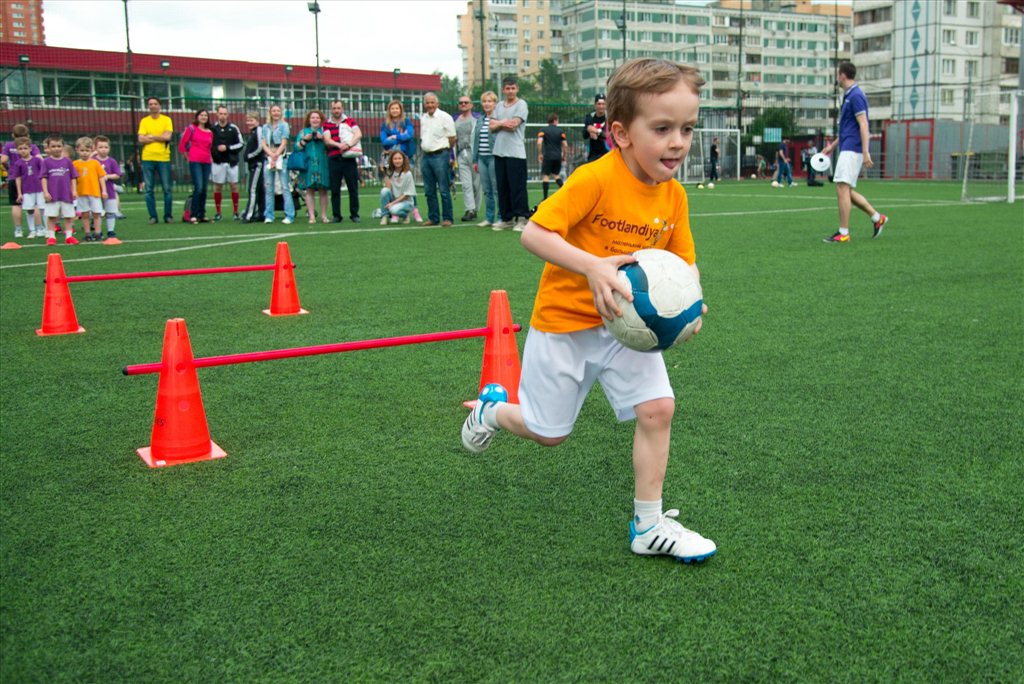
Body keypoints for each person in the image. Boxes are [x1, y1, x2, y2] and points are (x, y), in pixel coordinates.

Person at [461, 58, 716, 564]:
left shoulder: (676, 196)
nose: (678, 142)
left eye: (687, 128)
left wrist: (690, 307)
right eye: (662, 128)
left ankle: (648, 524)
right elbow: (534, 233)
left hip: (629, 331)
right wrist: (594, 268)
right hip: (565, 325)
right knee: (549, 434)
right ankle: (493, 409)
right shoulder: (593, 179)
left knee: (659, 408)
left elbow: (684, 265)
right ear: (621, 133)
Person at [821, 61, 888, 243]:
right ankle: (877, 218)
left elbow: (863, 124)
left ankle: (843, 233)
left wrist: (866, 151)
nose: (837, 77)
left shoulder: (856, 95)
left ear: (843, 75)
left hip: (853, 149)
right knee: (846, 189)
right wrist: (832, 146)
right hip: (847, 146)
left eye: (837, 73)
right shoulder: (849, 95)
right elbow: (848, 128)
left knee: (842, 187)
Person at [490, 76, 530, 232]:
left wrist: (499, 123)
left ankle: (522, 218)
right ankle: (506, 218)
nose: (510, 91)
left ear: (517, 89)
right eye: (508, 88)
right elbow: (491, 126)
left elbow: (514, 125)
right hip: (499, 152)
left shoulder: (522, 105)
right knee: (503, 186)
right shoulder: (499, 105)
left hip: (515, 152)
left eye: (513, 88)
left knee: (517, 187)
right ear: (503, 90)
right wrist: (501, 123)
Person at [418, 91, 456, 227]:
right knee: (429, 191)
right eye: (427, 103)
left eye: (432, 102)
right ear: (424, 104)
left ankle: (448, 218)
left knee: (444, 189)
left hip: (441, 155)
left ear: (437, 103)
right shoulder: (423, 118)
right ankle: (433, 218)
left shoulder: (445, 117)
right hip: (426, 156)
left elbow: (452, 138)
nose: (430, 105)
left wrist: (446, 152)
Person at [322, 99, 362, 223]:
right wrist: (340, 145)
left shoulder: (350, 121)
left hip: (349, 159)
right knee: (335, 189)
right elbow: (327, 140)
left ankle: (354, 214)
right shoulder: (326, 124)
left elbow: (358, 134)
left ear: (342, 109)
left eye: (338, 108)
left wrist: (348, 144)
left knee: (353, 188)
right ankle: (336, 215)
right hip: (334, 159)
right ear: (331, 109)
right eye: (334, 108)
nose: (336, 110)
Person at [138, 96, 174, 224]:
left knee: (167, 188)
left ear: (159, 106)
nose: (153, 106)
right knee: (148, 189)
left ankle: (168, 216)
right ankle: (153, 216)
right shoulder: (144, 121)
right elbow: (141, 139)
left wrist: (151, 136)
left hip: (163, 158)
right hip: (148, 157)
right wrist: (158, 137)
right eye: (150, 104)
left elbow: (167, 137)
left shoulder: (166, 120)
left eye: (155, 104)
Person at [2, 124, 42, 239]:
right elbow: (39, 159)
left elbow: (3, 159)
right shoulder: (31, 146)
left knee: (16, 205)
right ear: (28, 135)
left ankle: (18, 230)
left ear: (13, 135)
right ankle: (39, 228)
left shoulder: (9, 145)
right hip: (29, 179)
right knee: (34, 204)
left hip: (13, 177)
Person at [40, 134, 79, 245]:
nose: (56, 148)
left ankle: (69, 236)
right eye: (53, 146)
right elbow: (43, 178)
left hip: (66, 194)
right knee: (52, 216)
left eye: (58, 146)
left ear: (62, 147)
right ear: (48, 148)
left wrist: (74, 190)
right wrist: (45, 192)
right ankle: (51, 237)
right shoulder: (46, 162)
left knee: (68, 216)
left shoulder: (67, 161)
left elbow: (73, 177)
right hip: (52, 195)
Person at [179, 109, 214, 224]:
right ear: (197, 117)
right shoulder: (191, 129)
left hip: (206, 161)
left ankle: (201, 214)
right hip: (195, 161)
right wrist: (187, 157)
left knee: (204, 189)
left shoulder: (209, 132)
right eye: (201, 115)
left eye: (205, 115)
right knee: (198, 188)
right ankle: (193, 214)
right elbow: (182, 144)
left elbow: (210, 147)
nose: (204, 117)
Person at [296, 109, 331, 224]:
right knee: (309, 190)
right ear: (309, 120)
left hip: (323, 163)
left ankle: (324, 216)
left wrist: (323, 139)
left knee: (323, 190)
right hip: (308, 164)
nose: (315, 120)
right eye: (313, 118)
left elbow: (330, 146)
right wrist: (305, 140)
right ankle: (311, 216)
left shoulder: (325, 131)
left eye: (317, 118)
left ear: (321, 120)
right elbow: (297, 148)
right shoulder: (303, 132)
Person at [261, 104, 294, 225]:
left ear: (281, 113)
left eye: (278, 111)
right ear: (270, 112)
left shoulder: (284, 125)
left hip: (281, 158)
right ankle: (269, 215)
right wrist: (270, 154)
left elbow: (284, 142)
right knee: (269, 187)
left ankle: (289, 215)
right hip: (269, 158)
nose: (275, 113)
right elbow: (264, 143)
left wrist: (276, 155)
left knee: (285, 187)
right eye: (273, 111)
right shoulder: (265, 127)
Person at [210, 105, 244, 222]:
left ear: (228, 115)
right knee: (217, 187)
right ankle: (218, 212)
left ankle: (235, 212)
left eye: (225, 114)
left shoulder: (234, 128)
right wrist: (215, 151)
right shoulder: (212, 128)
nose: (223, 116)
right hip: (217, 162)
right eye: (221, 113)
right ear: (217, 114)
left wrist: (227, 148)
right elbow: (209, 144)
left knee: (234, 186)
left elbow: (241, 144)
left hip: (232, 163)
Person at [72, 136, 108, 241]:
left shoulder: (95, 163)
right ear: (77, 150)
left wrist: (104, 190)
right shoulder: (75, 164)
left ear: (92, 150)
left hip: (94, 192)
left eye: (87, 150)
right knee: (85, 214)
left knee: (97, 213)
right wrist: (73, 190)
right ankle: (87, 233)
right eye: (82, 150)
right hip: (81, 193)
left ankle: (98, 232)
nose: (84, 153)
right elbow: (73, 178)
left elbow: (101, 177)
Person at [471, 90, 499, 228]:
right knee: (487, 189)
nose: (487, 104)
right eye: (484, 101)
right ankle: (489, 217)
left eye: (490, 101)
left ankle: (501, 217)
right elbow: (476, 140)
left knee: (496, 189)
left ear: (495, 103)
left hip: (494, 157)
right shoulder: (480, 120)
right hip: (481, 158)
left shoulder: (498, 119)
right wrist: (475, 160)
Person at [8, 137, 45, 239]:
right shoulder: (18, 163)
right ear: (17, 150)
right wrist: (19, 193)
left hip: (39, 189)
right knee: (29, 210)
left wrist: (45, 189)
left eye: (25, 148)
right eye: (20, 149)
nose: (23, 151)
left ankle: (43, 229)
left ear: (30, 149)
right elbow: (18, 178)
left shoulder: (37, 160)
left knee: (42, 208)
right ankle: (32, 230)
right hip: (27, 191)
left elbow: (43, 175)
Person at [454, 95, 481, 222]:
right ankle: (469, 209)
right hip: (461, 152)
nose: (463, 104)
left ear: (471, 104)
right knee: (466, 184)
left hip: (474, 153)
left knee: (476, 183)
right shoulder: (455, 119)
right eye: (461, 103)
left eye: (466, 102)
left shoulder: (477, 118)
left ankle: (475, 209)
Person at [94, 135, 122, 239]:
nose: (103, 150)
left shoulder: (112, 161)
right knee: (97, 213)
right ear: (95, 148)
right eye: (100, 147)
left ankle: (111, 231)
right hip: (96, 191)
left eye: (106, 147)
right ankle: (98, 231)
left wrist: (107, 176)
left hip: (109, 191)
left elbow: (117, 174)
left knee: (110, 212)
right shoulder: (93, 161)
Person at [378, 149, 416, 224]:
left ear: (403, 160)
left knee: (393, 210)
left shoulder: (408, 174)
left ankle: (405, 215)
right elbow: (388, 188)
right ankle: (384, 216)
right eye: (395, 159)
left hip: (406, 202)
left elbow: (407, 195)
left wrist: (392, 203)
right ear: (391, 160)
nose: (397, 161)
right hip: (394, 199)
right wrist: (384, 173)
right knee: (384, 191)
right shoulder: (390, 172)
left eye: (399, 158)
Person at [536, 113, 567, 200]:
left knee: (546, 175)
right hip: (557, 156)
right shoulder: (560, 131)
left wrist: (540, 153)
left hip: (548, 156)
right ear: (555, 120)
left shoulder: (543, 130)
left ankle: (545, 197)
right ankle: (565, 193)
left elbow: (539, 142)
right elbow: (565, 145)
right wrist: (564, 155)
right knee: (556, 175)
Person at [242, 112, 266, 223]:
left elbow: (261, 146)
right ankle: (262, 213)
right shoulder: (253, 132)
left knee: (252, 189)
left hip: (257, 164)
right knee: (260, 190)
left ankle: (249, 214)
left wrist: (249, 156)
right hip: (254, 164)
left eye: (251, 120)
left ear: (257, 121)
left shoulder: (259, 130)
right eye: (248, 120)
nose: (249, 122)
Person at [583, 93, 609, 163]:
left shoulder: (610, 118)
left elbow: (609, 136)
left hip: (608, 154)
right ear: (595, 105)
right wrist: (588, 129)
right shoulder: (589, 117)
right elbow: (584, 135)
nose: (601, 106)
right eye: (599, 104)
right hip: (593, 155)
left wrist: (597, 131)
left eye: (603, 104)